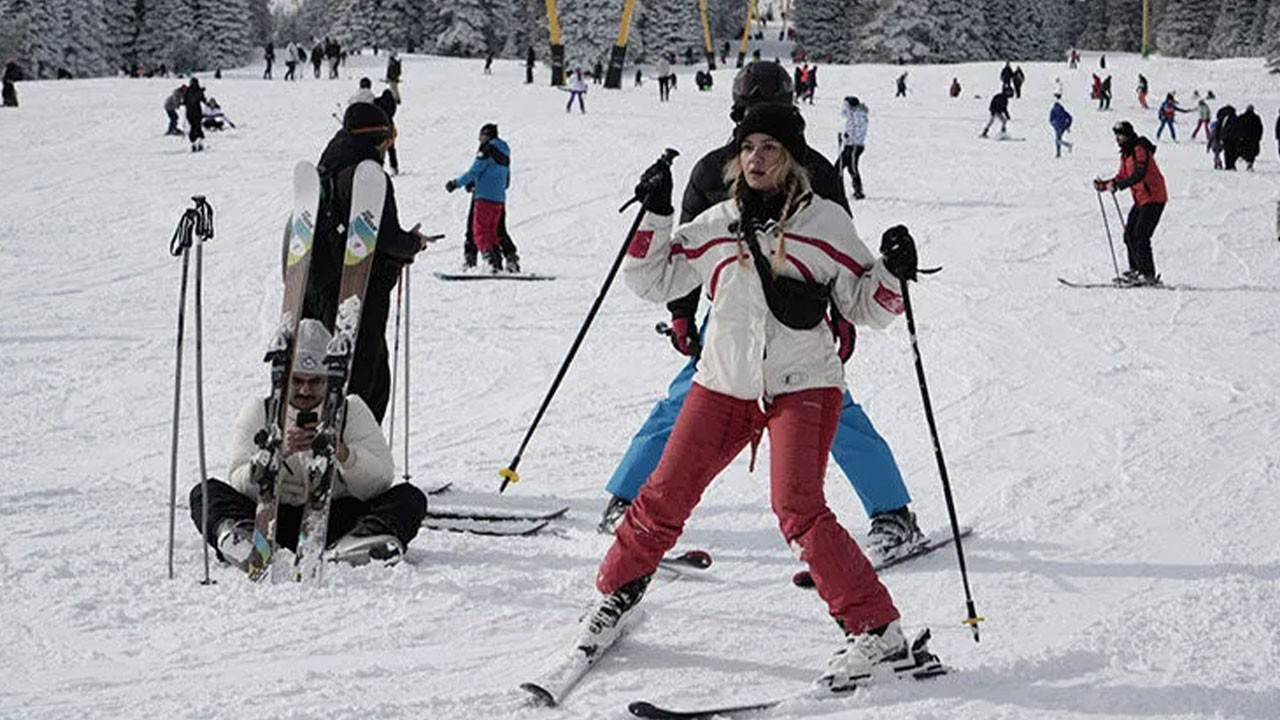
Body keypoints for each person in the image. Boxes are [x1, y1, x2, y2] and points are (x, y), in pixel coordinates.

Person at [581, 102, 939, 692]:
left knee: (798, 508)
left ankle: (878, 630)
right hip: (724, 380)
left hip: (805, 382)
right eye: (748, 148)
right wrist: (655, 213)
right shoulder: (719, 222)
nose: (756, 158)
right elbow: (654, 280)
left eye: (769, 148)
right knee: (663, 495)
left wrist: (894, 275)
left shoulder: (826, 225)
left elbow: (866, 307)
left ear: (790, 158)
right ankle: (615, 595)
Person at [599, 63, 927, 566]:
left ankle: (892, 514)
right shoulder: (714, 169)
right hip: (732, 315)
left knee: (828, 409)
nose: (758, 147)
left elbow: (837, 254)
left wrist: (844, 313)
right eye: (750, 116)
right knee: (688, 405)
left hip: (799, 318)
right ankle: (629, 500)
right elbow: (685, 249)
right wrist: (684, 312)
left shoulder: (811, 167)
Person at [190, 319, 428, 571]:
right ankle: (248, 546)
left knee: (409, 497)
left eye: (315, 382)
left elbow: (380, 480)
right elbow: (238, 480)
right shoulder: (260, 410)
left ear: (329, 380)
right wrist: (273, 457)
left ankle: (355, 547)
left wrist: (343, 453)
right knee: (205, 492)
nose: (305, 390)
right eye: (297, 381)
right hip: (272, 518)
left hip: (334, 519)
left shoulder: (352, 409)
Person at [305, 103, 435, 422]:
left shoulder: (327, 170)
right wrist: (411, 245)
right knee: (369, 378)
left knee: (333, 368)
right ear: (380, 139)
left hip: (317, 286)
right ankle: (355, 452)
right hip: (359, 290)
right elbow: (384, 237)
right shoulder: (367, 176)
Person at [1094, 121, 1167, 286]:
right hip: (1141, 198)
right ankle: (1136, 270)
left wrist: (1118, 186)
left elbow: (1139, 174)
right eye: (1116, 136)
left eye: (1120, 135)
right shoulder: (1126, 154)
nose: (1118, 139)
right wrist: (1104, 185)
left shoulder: (1139, 150)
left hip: (1154, 197)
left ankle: (1148, 274)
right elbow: (1122, 176)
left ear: (1128, 135)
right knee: (1129, 235)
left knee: (1141, 236)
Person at [446, 123, 515, 273]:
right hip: (499, 198)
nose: (479, 140)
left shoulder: (486, 149)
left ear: (487, 135)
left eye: (481, 136)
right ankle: (503, 260)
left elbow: (474, 171)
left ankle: (490, 261)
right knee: (494, 230)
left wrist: (455, 183)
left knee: (479, 231)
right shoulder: (504, 152)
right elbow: (505, 179)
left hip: (484, 197)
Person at [839, 96, 868, 199]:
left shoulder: (859, 115)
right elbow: (847, 125)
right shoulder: (852, 114)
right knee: (839, 167)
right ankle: (836, 189)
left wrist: (848, 136)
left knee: (852, 168)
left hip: (855, 146)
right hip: (849, 145)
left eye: (846, 105)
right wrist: (843, 136)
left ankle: (858, 191)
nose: (844, 107)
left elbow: (859, 130)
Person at [374, 88, 399, 174]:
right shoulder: (393, 105)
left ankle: (379, 167)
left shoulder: (379, 103)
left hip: (380, 127)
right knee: (391, 149)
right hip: (390, 126)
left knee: (380, 148)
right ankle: (394, 166)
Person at [1237, 104, 1264, 171]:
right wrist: (1259, 137)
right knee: (1252, 152)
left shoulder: (1242, 117)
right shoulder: (1256, 118)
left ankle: (1246, 160)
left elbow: (1238, 127)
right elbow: (1260, 128)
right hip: (1253, 138)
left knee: (1244, 150)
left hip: (1244, 137)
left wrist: (1239, 136)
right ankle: (1250, 163)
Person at [183, 77, 206, 152]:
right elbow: (203, 99)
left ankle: (194, 143)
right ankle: (199, 143)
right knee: (197, 127)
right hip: (196, 112)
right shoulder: (198, 91)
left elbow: (185, 101)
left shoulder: (188, 91)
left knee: (193, 127)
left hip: (190, 112)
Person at [1049, 93, 1073, 158]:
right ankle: (1058, 154)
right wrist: (1068, 126)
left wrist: (1053, 124)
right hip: (1063, 127)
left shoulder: (1053, 110)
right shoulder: (1063, 110)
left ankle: (1067, 145)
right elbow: (1070, 117)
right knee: (1058, 140)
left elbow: (1050, 119)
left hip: (1057, 126)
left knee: (1057, 140)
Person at [1218, 105, 1240, 170]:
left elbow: (1222, 128)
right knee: (1233, 152)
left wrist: (1221, 136)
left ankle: (1228, 165)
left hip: (1226, 138)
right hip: (1234, 138)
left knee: (1227, 152)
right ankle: (1232, 164)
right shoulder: (1236, 118)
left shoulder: (1226, 119)